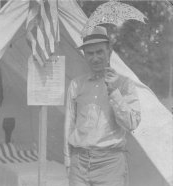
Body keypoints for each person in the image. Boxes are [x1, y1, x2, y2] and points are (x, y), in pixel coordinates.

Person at [64, 26, 141, 186]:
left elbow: (131, 123)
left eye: (100, 52)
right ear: (84, 55)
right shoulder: (76, 84)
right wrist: (67, 158)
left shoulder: (125, 84)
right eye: (90, 53)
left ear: (109, 52)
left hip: (110, 163)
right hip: (79, 163)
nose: (95, 58)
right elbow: (69, 124)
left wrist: (114, 91)